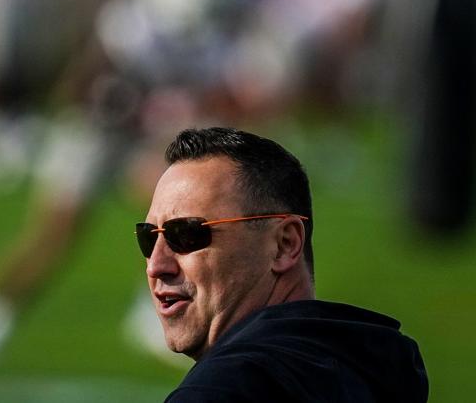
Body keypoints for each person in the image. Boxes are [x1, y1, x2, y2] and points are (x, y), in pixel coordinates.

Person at [140, 126, 429, 401]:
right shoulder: (373, 367)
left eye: (187, 234)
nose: (156, 265)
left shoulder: (222, 390)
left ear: (284, 245)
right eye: (149, 238)